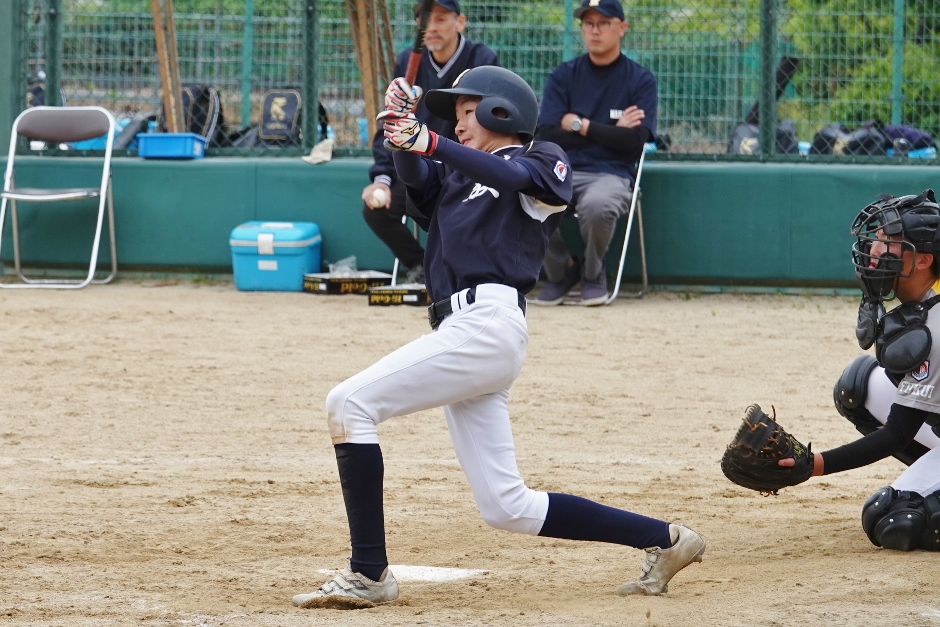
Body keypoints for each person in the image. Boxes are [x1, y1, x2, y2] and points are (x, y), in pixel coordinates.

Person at [290, 66, 705, 610]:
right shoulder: (456, 175)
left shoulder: (542, 157)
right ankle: (667, 538)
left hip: (487, 322)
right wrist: (400, 133)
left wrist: (430, 140)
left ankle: (368, 573)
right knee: (507, 506)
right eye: (455, 116)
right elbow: (417, 180)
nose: (459, 124)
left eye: (469, 111)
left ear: (501, 111)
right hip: (462, 330)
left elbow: (511, 177)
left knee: (348, 404)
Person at [774, 190, 940, 551]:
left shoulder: (937, 324)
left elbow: (898, 431)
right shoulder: (927, 300)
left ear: (923, 259)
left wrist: (813, 465)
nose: (875, 251)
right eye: (877, 239)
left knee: (893, 517)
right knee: (857, 388)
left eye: (889, 243)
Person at [360, 0, 498, 284]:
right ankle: (423, 266)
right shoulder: (407, 61)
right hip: (420, 169)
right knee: (376, 210)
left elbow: (492, 122)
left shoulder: (481, 59)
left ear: (460, 22)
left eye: (441, 19)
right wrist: (382, 179)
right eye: (425, 20)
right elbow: (392, 123)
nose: (431, 27)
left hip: (466, 167)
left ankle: (466, 270)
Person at [531, 0, 657, 306]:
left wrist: (580, 125)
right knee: (526, 197)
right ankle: (562, 272)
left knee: (597, 205)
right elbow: (547, 135)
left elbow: (633, 143)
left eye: (603, 23)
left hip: (612, 173)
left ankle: (592, 273)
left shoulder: (640, 80)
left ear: (622, 28)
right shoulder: (563, 76)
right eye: (588, 24)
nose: (595, 30)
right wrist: (611, 131)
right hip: (562, 169)